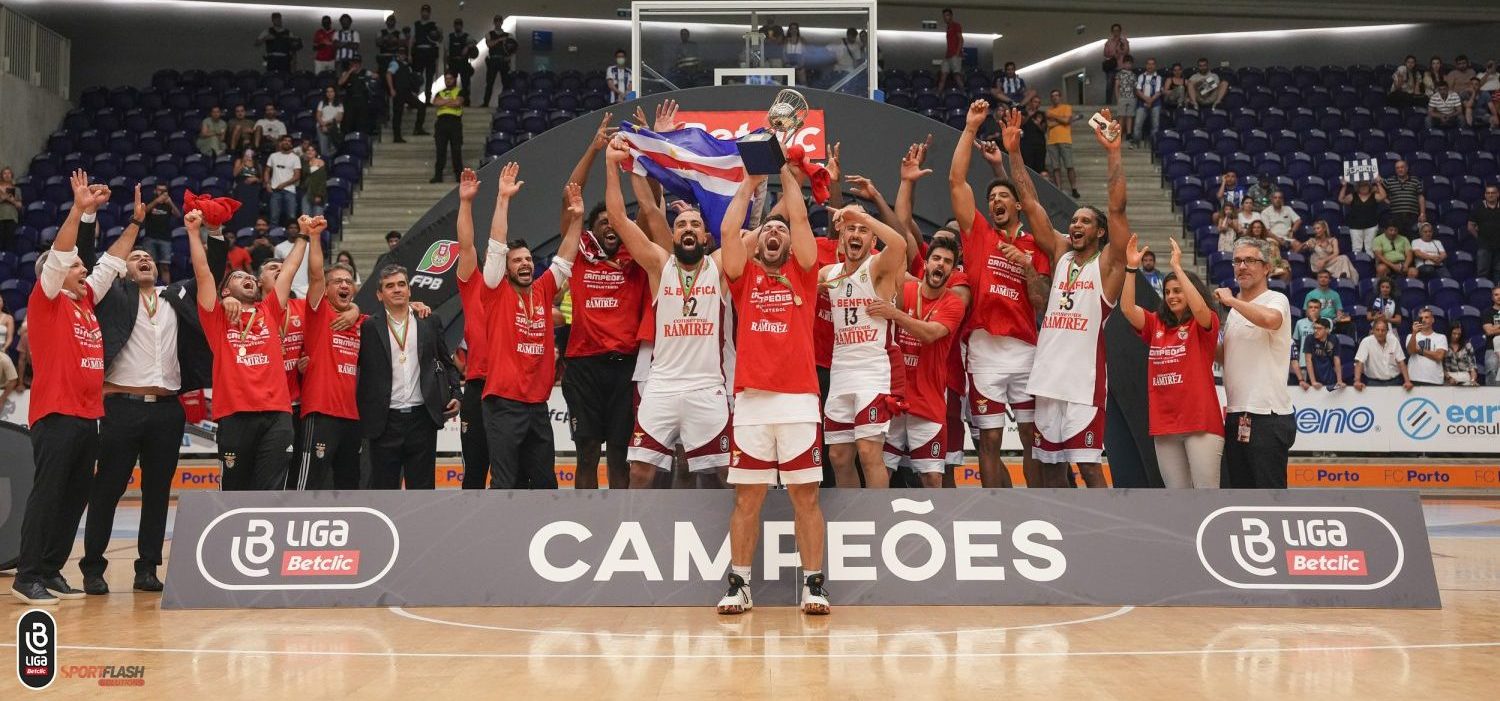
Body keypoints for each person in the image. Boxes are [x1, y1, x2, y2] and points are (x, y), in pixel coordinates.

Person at [80, 187, 229, 595]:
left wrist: (210, 233)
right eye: (135, 258)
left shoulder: (174, 296)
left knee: (158, 493)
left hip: (167, 409)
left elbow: (209, 274)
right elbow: (93, 261)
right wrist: (92, 217)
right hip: (121, 407)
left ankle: (147, 568)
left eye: (148, 257)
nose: (143, 260)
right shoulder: (111, 295)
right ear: (123, 270)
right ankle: (92, 567)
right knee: (108, 488)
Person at [714, 160, 829, 616]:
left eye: (780, 230)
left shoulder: (805, 273)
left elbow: (800, 218)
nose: (775, 233)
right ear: (758, 242)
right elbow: (726, 233)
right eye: (768, 231)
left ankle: (814, 585)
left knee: (807, 496)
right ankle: (739, 585)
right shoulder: (744, 280)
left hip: (800, 400)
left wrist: (785, 169)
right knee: (748, 497)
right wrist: (750, 178)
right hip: (752, 403)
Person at [11, 171, 129, 605]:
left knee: (75, 496)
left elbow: (112, 263)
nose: (85, 270)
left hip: (88, 415)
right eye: (78, 266)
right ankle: (27, 575)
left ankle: (51, 568)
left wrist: (131, 224)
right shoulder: (47, 301)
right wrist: (78, 211)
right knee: (49, 494)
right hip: (56, 413)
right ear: (56, 275)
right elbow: (62, 255)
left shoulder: (84, 303)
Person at [603, 142, 735, 491]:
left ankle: (735, 540)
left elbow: (744, 233)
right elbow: (617, 218)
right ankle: (633, 538)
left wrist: (752, 178)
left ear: (705, 237)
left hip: (707, 388)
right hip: (661, 386)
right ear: (673, 234)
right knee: (641, 473)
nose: (687, 228)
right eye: (681, 224)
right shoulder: (659, 265)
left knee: (724, 474)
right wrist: (611, 167)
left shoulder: (718, 266)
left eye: (694, 224)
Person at [1015, 109, 1130, 488]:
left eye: (1084, 221)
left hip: (1083, 385)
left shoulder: (1109, 265)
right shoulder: (1061, 255)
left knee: (1090, 468)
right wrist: (1013, 152)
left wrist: (1114, 152)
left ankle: (1099, 539)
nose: (1075, 225)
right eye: (1073, 220)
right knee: (1049, 468)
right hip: (1048, 380)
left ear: (1098, 232)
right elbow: (1030, 204)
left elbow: (1116, 208)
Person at [954, 101, 1053, 489]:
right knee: (990, 441)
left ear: (1016, 206)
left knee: (1031, 439)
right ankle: (996, 510)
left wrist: (1026, 267)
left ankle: (1034, 508)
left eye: (1002, 197)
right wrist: (969, 128)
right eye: (991, 198)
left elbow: (1042, 302)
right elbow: (956, 183)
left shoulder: (1034, 245)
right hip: (984, 352)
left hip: (1027, 350)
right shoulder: (978, 235)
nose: (995, 202)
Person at [189, 206, 303, 491]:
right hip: (235, 414)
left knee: (272, 491)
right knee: (235, 493)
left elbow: (288, 270)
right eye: (240, 277)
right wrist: (194, 232)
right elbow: (204, 274)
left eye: (251, 277)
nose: (249, 279)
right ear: (225, 290)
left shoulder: (270, 310)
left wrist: (305, 235)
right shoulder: (215, 316)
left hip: (277, 414)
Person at [481, 163, 580, 489]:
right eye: (516, 260)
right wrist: (503, 199)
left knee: (544, 484)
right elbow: (496, 246)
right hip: (504, 405)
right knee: (505, 483)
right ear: (506, 269)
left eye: (527, 259)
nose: (524, 264)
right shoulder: (495, 291)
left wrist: (577, 218)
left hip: (538, 407)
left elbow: (566, 256)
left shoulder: (543, 288)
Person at [819, 192, 908, 489]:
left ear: (872, 241)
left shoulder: (878, 268)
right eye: (850, 229)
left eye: (863, 230)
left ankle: (877, 520)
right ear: (841, 237)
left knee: (869, 452)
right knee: (840, 456)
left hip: (874, 370)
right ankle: (854, 519)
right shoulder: (828, 274)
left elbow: (899, 244)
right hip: (842, 370)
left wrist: (862, 215)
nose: (856, 233)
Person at [1120, 237, 1222, 488]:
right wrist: (1131, 270)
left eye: (1177, 291)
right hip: (1164, 424)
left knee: (1206, 498)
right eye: (1167, 292)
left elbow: (1200, 309)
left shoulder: (1203, 323)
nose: (1172, 296)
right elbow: (1127, 310)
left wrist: (1177, 268)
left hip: (1201, 423)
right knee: (1177, 500)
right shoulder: (1156, 323)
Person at [869, 238, 966, 488]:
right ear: (925, 263)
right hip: (893, 400)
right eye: (936, 259)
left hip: (927, 402)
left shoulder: (954, 303)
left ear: (953, 271)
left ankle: (937, 526)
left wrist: (895, 314)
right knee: (881, 473)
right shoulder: (905, 291)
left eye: (947, 262)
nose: (941, 265)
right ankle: (878, 523)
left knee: (932, 478)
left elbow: (930, 334)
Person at [357, 263, 460, 489]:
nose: (397, 290)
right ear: (379, 294)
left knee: (422, 493)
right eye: (390, 286)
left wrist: (456, 393)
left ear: (410, 290)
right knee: (384, 493)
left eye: (402, 284)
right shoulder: (368, 327)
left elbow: (446, 361)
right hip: (384, 422)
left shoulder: (429, 321)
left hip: (422, 419)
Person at [1215, 236, 1295, 489]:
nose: (1241, 266)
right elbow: (1226, 355)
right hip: (1237, 413)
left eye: (1250, 260)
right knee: (1239, 496)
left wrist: (1231, 302)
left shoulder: (1275, 299)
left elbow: (1272, 320)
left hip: (1267, 416)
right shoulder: (1236, 311)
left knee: (1270, 499)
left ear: (1267, 268)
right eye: (1237, 261)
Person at [451, 169, 492, 488]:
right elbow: (466, 247)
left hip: (513, 392)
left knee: (513, 473)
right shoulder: (473, 284)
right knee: (475, 472)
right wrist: (465, 203)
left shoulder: (523, 294)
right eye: (490, 255)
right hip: (478, 388)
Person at [1353, 318, 1412, 389]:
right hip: (1373, 382)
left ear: (1387, 331)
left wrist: (1407, 381)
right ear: (1373, 331)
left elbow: (1401, 362)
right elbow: (1359, 362)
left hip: (1394, 381)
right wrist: (1357, 381)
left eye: (1383, 330)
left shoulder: (1394, 340)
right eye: (1377, 330)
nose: (1380, 333)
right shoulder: (1366, 342)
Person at [139, 183, 180, 282]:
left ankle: (167, 290)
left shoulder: (168, 204)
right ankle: (150, 287)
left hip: (165, 238)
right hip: (150, 237)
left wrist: (170, 203)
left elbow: (178, 215)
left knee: (165, 267)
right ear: (155, 191)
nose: (161, 193)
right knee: (149, 266)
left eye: (163, 191)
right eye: (159, 190)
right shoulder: (151, 201)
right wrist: (157, 201)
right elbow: (144, 211)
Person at [1044, 90, 1080, 198]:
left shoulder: (1066, 107)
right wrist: (1062, 119)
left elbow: (1066, 121)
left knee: (1069, 166)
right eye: (1053, 96)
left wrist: (1055, 118)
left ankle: (1074, 188)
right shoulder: (1048, 110)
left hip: (1065, 140)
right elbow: (1049, 125)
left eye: (1056, 96)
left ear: (1060, 97)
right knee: (1056, 167)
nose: (1055, 98)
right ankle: (1058, 189)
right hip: (1051, 141)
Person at [431, 70, 464, 183]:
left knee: (456, 150)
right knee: (440, 150)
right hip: (441, 123)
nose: (448, 80)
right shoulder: (439, 93)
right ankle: (438, 176)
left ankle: (459, 175)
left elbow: (457, 103)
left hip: (454, 122)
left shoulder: (459, 91)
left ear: (454, 79)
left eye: (450, 78)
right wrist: (450, 101)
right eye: (446, 78)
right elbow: (435, 102)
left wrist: (444, 102)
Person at [1339, 178, 1385, 256]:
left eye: (1366, 185)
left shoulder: (1374, 196)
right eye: (1361, 185)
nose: (1363, 187)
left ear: (1369, 186)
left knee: (1370, 249)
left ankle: (1370, 266)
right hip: (1355, 227)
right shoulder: (1353, 196)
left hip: (1371, 226)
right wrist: (1344, 186)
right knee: (1356, 249)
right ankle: (1358, 266)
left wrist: (1378, 183)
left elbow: (1383, 196)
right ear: (1358, 187)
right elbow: (1341, 199)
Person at [264, 135, 301, 226]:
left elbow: (297, 176)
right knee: (274, 217)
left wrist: (283, 185)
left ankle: (292, 239)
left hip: (290, 191)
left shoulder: (295, 158)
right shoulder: (273, 156)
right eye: (285, 140)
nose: (287, 142)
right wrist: (267, 184)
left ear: (291, 144)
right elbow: (267, 171)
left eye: (289, 141)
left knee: (291, 217)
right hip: (275, 191)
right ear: (281, 143)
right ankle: (273, 238)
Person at [1405, 307, 1447, 386]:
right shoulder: (1411, 336)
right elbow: (1410, 351)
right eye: (1421, 318)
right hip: (1415, 379)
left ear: (1433, 320)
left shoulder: (1441, 337)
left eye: (1426, 317)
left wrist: (1419, 350)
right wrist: (1414, 333)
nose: (1423, 320)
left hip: (1435, 380)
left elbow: (1439, 356)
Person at [1382, 159, 1425, 236]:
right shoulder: (1390, 181)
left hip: (1412, 216)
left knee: (1411, 238)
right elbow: (1377, 189)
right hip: (1395, 216)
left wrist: (1422, 213)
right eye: (1397, 168)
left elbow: (1421, 197)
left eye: (1402, 167)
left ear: (1407, 168)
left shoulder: (1415, 180)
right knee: (1398, 240)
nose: (1400, 169)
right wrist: (1385, 199)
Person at [1299, 321, 1344, 391]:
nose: (1316, 331)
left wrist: (1339, 380)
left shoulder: (1333, 339)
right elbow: (1308, 360)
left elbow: (1336, 359)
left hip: (1330, 376)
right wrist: (1313, 382)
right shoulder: (1310, 338)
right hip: (1314, 376)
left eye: (1319, 328)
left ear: (1327, 330)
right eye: (1314, 328)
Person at [411, 4, 442, 103]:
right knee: (417, 76)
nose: (425, 13)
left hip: (430, 52)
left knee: (429, 76)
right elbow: (412, 40)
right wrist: (409, 54)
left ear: (429, 13)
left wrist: (438, 33)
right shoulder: (416, 25)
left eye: (427, 11)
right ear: (421, 12)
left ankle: (428, 99)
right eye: (424, 11)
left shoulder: (434, 25)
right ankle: (414, 98)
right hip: (419, 52)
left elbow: (439, 40)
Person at [482, 15, 515, 107]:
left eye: (499, 21)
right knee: (489, 83)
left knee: (505, 83)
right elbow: (489, 44)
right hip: (493, 60)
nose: (498, 23)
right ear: (494, 22)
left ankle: (505, 104)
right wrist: (500, 39)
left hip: (503, 60)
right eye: (496, 21)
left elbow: (514, 47)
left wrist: (510, 57)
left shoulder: (509, 35)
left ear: (501, 22)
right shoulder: (489, 34)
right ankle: (485, 103)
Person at [1472, 184, 1500, 282]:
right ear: (1485, 195)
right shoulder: (1478, 209)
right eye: (1488, 193)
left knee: (1498, 272)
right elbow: (1470, 226)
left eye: (1493, 193)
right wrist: (1479, 237)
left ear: (1498, 194)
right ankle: (1482, 295)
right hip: (1484, 246)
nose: (1490, 195)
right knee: (1482, 272)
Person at [1133, 57, 1163, 145]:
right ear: (1146, 65)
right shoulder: (1141, 76)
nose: (1150, 66)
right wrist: (1147, 100)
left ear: (1155, 66)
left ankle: (1152, 144)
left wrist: (1150, 101)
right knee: (1138, 124)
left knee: (1155, 126)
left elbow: (1158, 92)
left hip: (1156, 104)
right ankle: (1136, 143)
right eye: (1148, 64)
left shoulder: (1158, 77)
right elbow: (1138, 91)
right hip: (1142, 103)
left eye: (1152, 64)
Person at [446, 18, 473, 106]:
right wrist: (446, 64)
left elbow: (473, 44)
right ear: (454, 26)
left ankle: (466, 101)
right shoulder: (450, 37)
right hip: (453, 61)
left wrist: (467, 47)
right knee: (451, 83)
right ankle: (452, 100)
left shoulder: (466, 36)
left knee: (465, 83)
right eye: (456, 25)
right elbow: (446, 51)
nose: (458, 26)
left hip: (463, 62)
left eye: (459, 25)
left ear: (461, 26)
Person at [1102, 23, 1130, 104]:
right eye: (1114, 31)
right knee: (1109, 86)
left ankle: (1123, 103)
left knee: (1123, 86)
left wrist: (1120, 50)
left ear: (1120, 31)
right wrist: (1113, 54)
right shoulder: (1108, 42)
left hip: (1122, 67)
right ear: (1112, 32)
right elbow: (1105, 53)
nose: (1116, 32)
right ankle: (1108, 104)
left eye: (1117, 30)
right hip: (1111, 67)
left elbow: (1127, 52)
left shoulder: (1124, 41)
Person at [1113, 55, 1138, 143]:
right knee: (1121, 116)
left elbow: (1136, 88)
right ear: (1123, 64)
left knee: (1129, 116)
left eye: (1130, 63)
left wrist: (1135, 97)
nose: (1128, 65)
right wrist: (1117, 98)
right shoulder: (1119, 74)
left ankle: (1128, 134)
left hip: (1131, 97)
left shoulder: (1133, 75)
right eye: (1126, 63)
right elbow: (1116, 86)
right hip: (1122, 97)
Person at [938, 9, 963, 92]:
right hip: (947, 56)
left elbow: (961, 39)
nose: (945, 17)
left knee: (957, 76)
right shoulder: (947, 28)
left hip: (955, 55)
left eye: (947, 15)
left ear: (951, 16)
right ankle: (938, 96)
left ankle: (965, 95)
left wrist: (957, 53)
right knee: (943, 76)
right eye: (944, 16)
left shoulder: (956, 25)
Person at [314, 86, 343, 158]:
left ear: (335, 93)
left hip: (334, 129)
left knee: (336, 149)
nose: (329, 93)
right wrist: (323, 125)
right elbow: (318, 116)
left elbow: (339, 118)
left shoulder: (339, 104)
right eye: (327, 91)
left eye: (331, 91)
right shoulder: (322, 103)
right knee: (324, 152)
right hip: (321, 128)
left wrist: (326, 123)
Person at [302, 145, 328, 218]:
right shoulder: (303, 162)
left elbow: (323, 180)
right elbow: (304, 173)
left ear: (316, 152)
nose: (310, 152)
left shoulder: (321, 162)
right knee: (306, 217)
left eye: (312, 150)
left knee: (317, 217)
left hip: (318, 192)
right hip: (306, 192)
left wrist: (319, 195)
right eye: (308, 150)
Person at [0, 166, 21, 252]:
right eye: (5, 173)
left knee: (9, 243)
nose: (7, 175)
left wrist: (11, 200)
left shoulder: (17, 190)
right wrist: (2, 198)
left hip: (12, 218)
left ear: (11, 175)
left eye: (9, 173)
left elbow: (19, 205)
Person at [375, 14, 403, 78]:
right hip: (383, 56)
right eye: (389, 21)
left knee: (394, 74)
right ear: (386, 22)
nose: (390, 22)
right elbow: (378, 43)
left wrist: (395, 40)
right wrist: (385, 38)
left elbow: (402, 44)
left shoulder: (399, 33)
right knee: (382, 73)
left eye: (392, 21)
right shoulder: (381, 32)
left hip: (394, 56)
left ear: (395, 22)